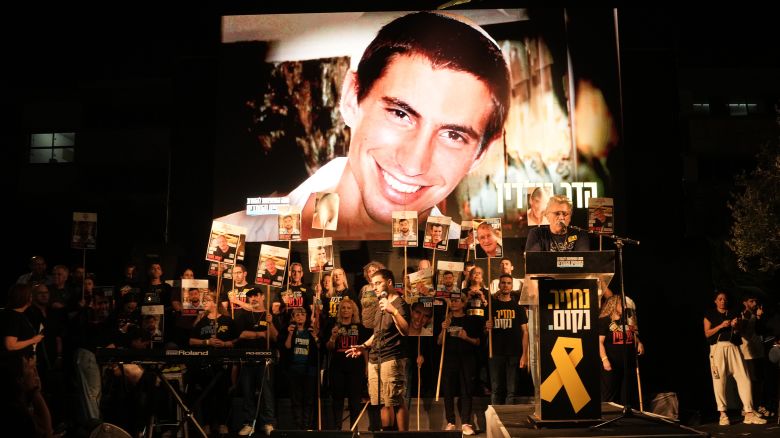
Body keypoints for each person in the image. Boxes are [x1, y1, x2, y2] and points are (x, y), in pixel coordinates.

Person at [218, 11, 511, 242]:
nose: (413, 164)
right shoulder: (232, 235)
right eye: (400, 114)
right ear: (350, 98)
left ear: (481, 154)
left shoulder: (474, 265)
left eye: (453, 135)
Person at [346, 269, 410, 431]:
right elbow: (377, 333)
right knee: (381, 401)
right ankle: (387, 434)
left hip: (391, 357)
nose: (374, 287)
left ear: (389, 282)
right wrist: (363, 346)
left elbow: (405, 330)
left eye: (378, 283)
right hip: (375, 359)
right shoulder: (380, 305)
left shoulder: (399, 303)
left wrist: (393, 311)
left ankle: (403, 436)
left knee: (395, 400)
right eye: (372, 284)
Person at [703, 290, 766, 425]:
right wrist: (721, 326)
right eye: (720, 299)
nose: (722, 301)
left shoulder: (733, 312)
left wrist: (736, 325)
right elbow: (707, 334)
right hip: (718, 348)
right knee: (719, 382)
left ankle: (748, 412)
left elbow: (741, 331)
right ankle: (723, 414)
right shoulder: (710, 314)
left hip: (734, 347)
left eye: (724, 299)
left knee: (745, 378)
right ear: (715, 301)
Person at [439, 292, 481, 435]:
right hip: (449, 359)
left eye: (457, 300)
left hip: (467, 359)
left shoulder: (470, 320)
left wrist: (466, 337)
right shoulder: (446, 319)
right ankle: (450, 422)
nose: (454, 303)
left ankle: (465, 423)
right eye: (452, 300)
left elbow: (477, 342)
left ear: (463, 303)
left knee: (466, 391)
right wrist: (443, 329)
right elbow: (439, 342)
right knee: (448, 391)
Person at [326, 298, 370, 430]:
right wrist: (333, 337)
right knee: (337, 400)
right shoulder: (334, 326)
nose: (346, 310)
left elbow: (364, 349)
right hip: (337, 368)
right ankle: (337, 429)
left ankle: (354, 430)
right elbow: (329, 348)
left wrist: (367, 367)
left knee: (355, 401)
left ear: (353, 311)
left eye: (348, 308)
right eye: (343, 308)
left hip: (356, 368)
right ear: (339, 311)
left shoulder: (360, 328)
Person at [485, 274, 528, 405]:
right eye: (503, 283)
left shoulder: (518, 307)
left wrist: (524, 355)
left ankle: (507, 423)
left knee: (511, 391)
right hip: (495, 352)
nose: (505, 285)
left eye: (508, 283)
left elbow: (525, 332)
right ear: (499, 285)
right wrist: (487, 327)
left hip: (514, 353)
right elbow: (483, 330)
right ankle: (495, 423)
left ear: (512, 286)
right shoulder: (492, 306)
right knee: (496, 389)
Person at [598, 295, 643, 405]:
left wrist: (639, 343)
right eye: (621, 304)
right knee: (609, 395)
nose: (624, 306)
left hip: (627, 363)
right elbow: (599, 342)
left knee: (626, 396)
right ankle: (608, 418)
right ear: (614, 305)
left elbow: (632, 334)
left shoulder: (627, 320)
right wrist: (604, 360)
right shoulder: (605, 321)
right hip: (611, 363)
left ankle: (625, 419)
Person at [525, 195, 590, 252]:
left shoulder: (580, 234)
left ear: (570, 216)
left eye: (565, 214)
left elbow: (582, 262)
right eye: (557, 213)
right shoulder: (537, 234)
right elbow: (533, 262)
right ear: (547, 215)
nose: (561, 217)